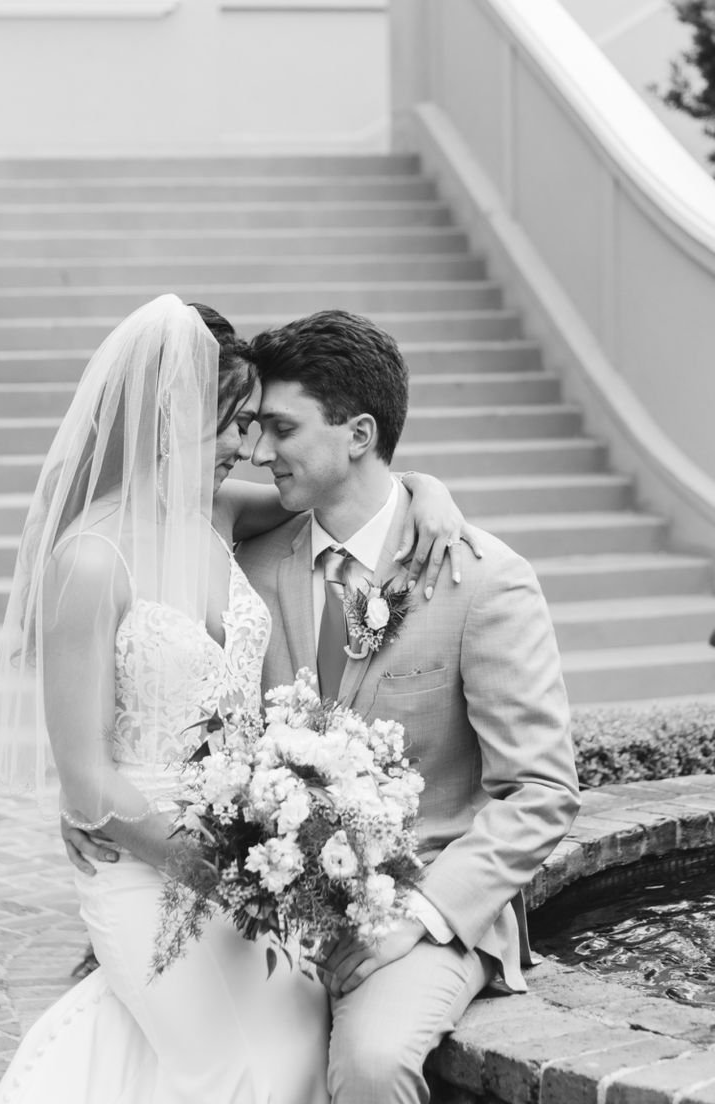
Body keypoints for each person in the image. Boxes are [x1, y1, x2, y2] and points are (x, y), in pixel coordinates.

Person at [0, 295, 474, 1104]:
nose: (248, 447)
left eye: (254, 424)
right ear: (172, 417)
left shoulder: (214, 514)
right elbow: (85, 781)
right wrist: (225, 872)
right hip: (147, 868)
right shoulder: (91, 563)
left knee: (293, 1043)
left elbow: (348, 488)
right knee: (239, 1071)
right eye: (234, 425)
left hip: (245, 856)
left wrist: (426, 488)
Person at [230, 310, 581, 1104]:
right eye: (253, 427)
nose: (257, 451)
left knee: (374, 1062)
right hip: (275, 898)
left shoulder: (485, 579)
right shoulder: (245, 562)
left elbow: (543, 792)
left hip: (429, 900)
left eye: (282, 428)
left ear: (358, 433)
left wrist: (416, 916)